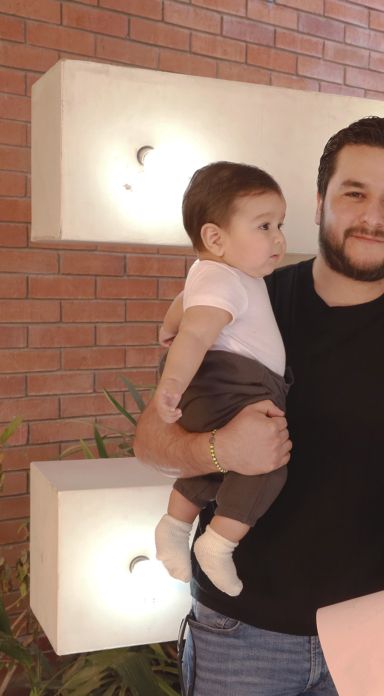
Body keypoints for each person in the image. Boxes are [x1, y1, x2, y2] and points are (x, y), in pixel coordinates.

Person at [134, 117, 384, 696]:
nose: (373, 216)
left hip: (367, 629)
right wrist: (221, 449)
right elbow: (151, 440)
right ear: (319, 202)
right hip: (241, 631)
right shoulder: (249, 297)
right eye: (354, 193)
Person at [152, 162, 290, 598]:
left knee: (217, 466)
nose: (279, 238)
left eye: (280, 225)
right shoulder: (225, 279)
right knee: (265, 464)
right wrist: (171, 383)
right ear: (215, 238)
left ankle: (175, 525)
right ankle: (218, 543)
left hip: (227, 385)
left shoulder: (216, 274)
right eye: (264, 226)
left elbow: (185, 306)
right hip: (233, 385)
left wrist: (167, 325)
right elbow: (194, 335)